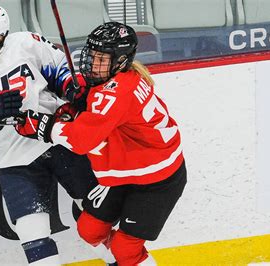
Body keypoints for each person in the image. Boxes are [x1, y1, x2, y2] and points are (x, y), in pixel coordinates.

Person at [15, 21, 187, 265]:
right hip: (126, 170)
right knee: (89, 229)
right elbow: (102, 117)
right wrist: (76, 105)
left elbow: (81, 140)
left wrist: (42, 126)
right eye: (92, 56)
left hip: (157, 179)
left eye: (102, 59)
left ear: (120, 61)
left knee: (125, 249)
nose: (94, 64)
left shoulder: (118, 91)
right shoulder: (113, 81)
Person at [0, 4, 98, 265]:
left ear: (0, 37)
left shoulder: (26, 43)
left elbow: (61, 69)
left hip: (57, 138)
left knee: (97, 216)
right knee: (32, 233)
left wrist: (71, 89)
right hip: (15, 157)